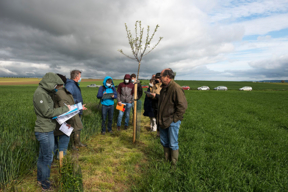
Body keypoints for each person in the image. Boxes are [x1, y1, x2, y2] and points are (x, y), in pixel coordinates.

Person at [33, 72, 70, 190]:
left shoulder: (46, 93)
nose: (56, 89)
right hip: (44, 130)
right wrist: (65, 109)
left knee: (42, 156)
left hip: (47, 129)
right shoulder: (40, 93)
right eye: (56, 86)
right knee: (48, 157)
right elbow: (47, 112)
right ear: (50, 83)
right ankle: (45, 184)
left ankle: (40, 180)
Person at [157, 68, 187, 167]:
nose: (160, 78)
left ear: (168, 77)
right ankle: (166, 162)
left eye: (161, 76)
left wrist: (174, 119)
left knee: (173, 143)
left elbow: (182, 106)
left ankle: (173, 166)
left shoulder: (176, 88)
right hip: (163, 120)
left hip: (172, 121)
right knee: (164, 142)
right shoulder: (164, 88)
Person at [53, 74, 85, 156]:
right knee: (61, 147)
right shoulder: (62, 92)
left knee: (58, 146)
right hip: (64, 123)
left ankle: (57, 163)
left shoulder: (59, 92)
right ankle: (60, 164)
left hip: (62, 123)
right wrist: (78, 107)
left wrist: (78, 107)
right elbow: (66, 108)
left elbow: (67, 107)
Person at [65, 70, 87, 147]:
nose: (80, 78)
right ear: (77, 77)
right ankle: (72, 145)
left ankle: (77, 143)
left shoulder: (74, 84)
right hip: (73, 110)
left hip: (77, 109)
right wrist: (78, 104)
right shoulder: (70, 85)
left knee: (77, 127)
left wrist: (80, 106)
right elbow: (67, 98)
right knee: (72, 128)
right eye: (80, 76)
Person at [150, 72, 162, 137]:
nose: (157, 79)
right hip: (154, 105)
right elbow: (152, 93)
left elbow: (164, 97)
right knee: (157, 121)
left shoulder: (163, 86)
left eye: (158, 78)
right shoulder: (154, 86)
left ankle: (162, 135)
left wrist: (156, 96)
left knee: (161, 121)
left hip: (161, 106)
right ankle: (158, 134)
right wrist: (151, 95)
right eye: (156, 78)